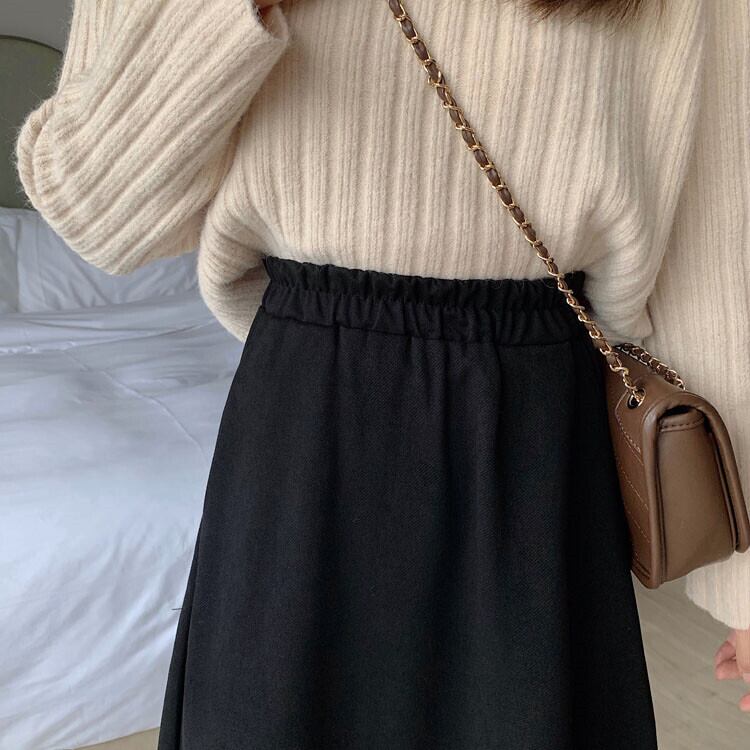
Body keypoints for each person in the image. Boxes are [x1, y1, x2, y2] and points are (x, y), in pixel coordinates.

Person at [14, 0, 750, 746]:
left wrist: (747, 589)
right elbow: (95, 216)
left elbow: (716, 247)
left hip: (535, 435)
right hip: (303, 424)